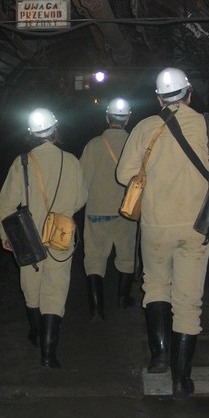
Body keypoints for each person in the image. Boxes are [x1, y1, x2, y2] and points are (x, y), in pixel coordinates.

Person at [116, 68, 209, 399]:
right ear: (189, 94)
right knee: (188, 300)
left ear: (158, 98)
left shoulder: (144, 127)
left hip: (155, 224)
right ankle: (182, 379)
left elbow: (124, 174)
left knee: (155, 285)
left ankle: (158, 356)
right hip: (198, 226)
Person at [0, 107, 87, 369]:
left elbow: (6, 205)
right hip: (60, 236)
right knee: (55, 293)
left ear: (30, 134)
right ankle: (49, 354)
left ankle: (35, 335)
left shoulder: (22, 162)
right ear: (55, 130)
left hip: (28, 237)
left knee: (32, 291)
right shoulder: (71, 160)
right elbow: (81, 199)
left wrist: (7, 235)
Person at [79, 98, 138, 321]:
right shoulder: (136, 144)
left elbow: (82, 181)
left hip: (96, 212)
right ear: (128, 119)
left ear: (107, 118)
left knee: (94, 259)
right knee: (126, 257)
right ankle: (123, 299)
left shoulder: (93, 145)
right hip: (127, 212)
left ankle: (96, 310)